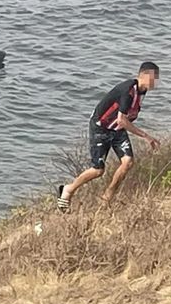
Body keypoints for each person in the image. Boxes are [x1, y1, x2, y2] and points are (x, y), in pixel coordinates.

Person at [57, 62, 161, 212]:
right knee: (98, 170)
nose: (155, 82)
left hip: (117, 129)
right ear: (143, 75)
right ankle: (68, 190)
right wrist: (146, 137)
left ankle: (107, 198)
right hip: (101, 127)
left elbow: (125, 119)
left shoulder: (142, 91)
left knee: (128, 162)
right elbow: (122, 120)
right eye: (153, 78)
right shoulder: (128, 91)